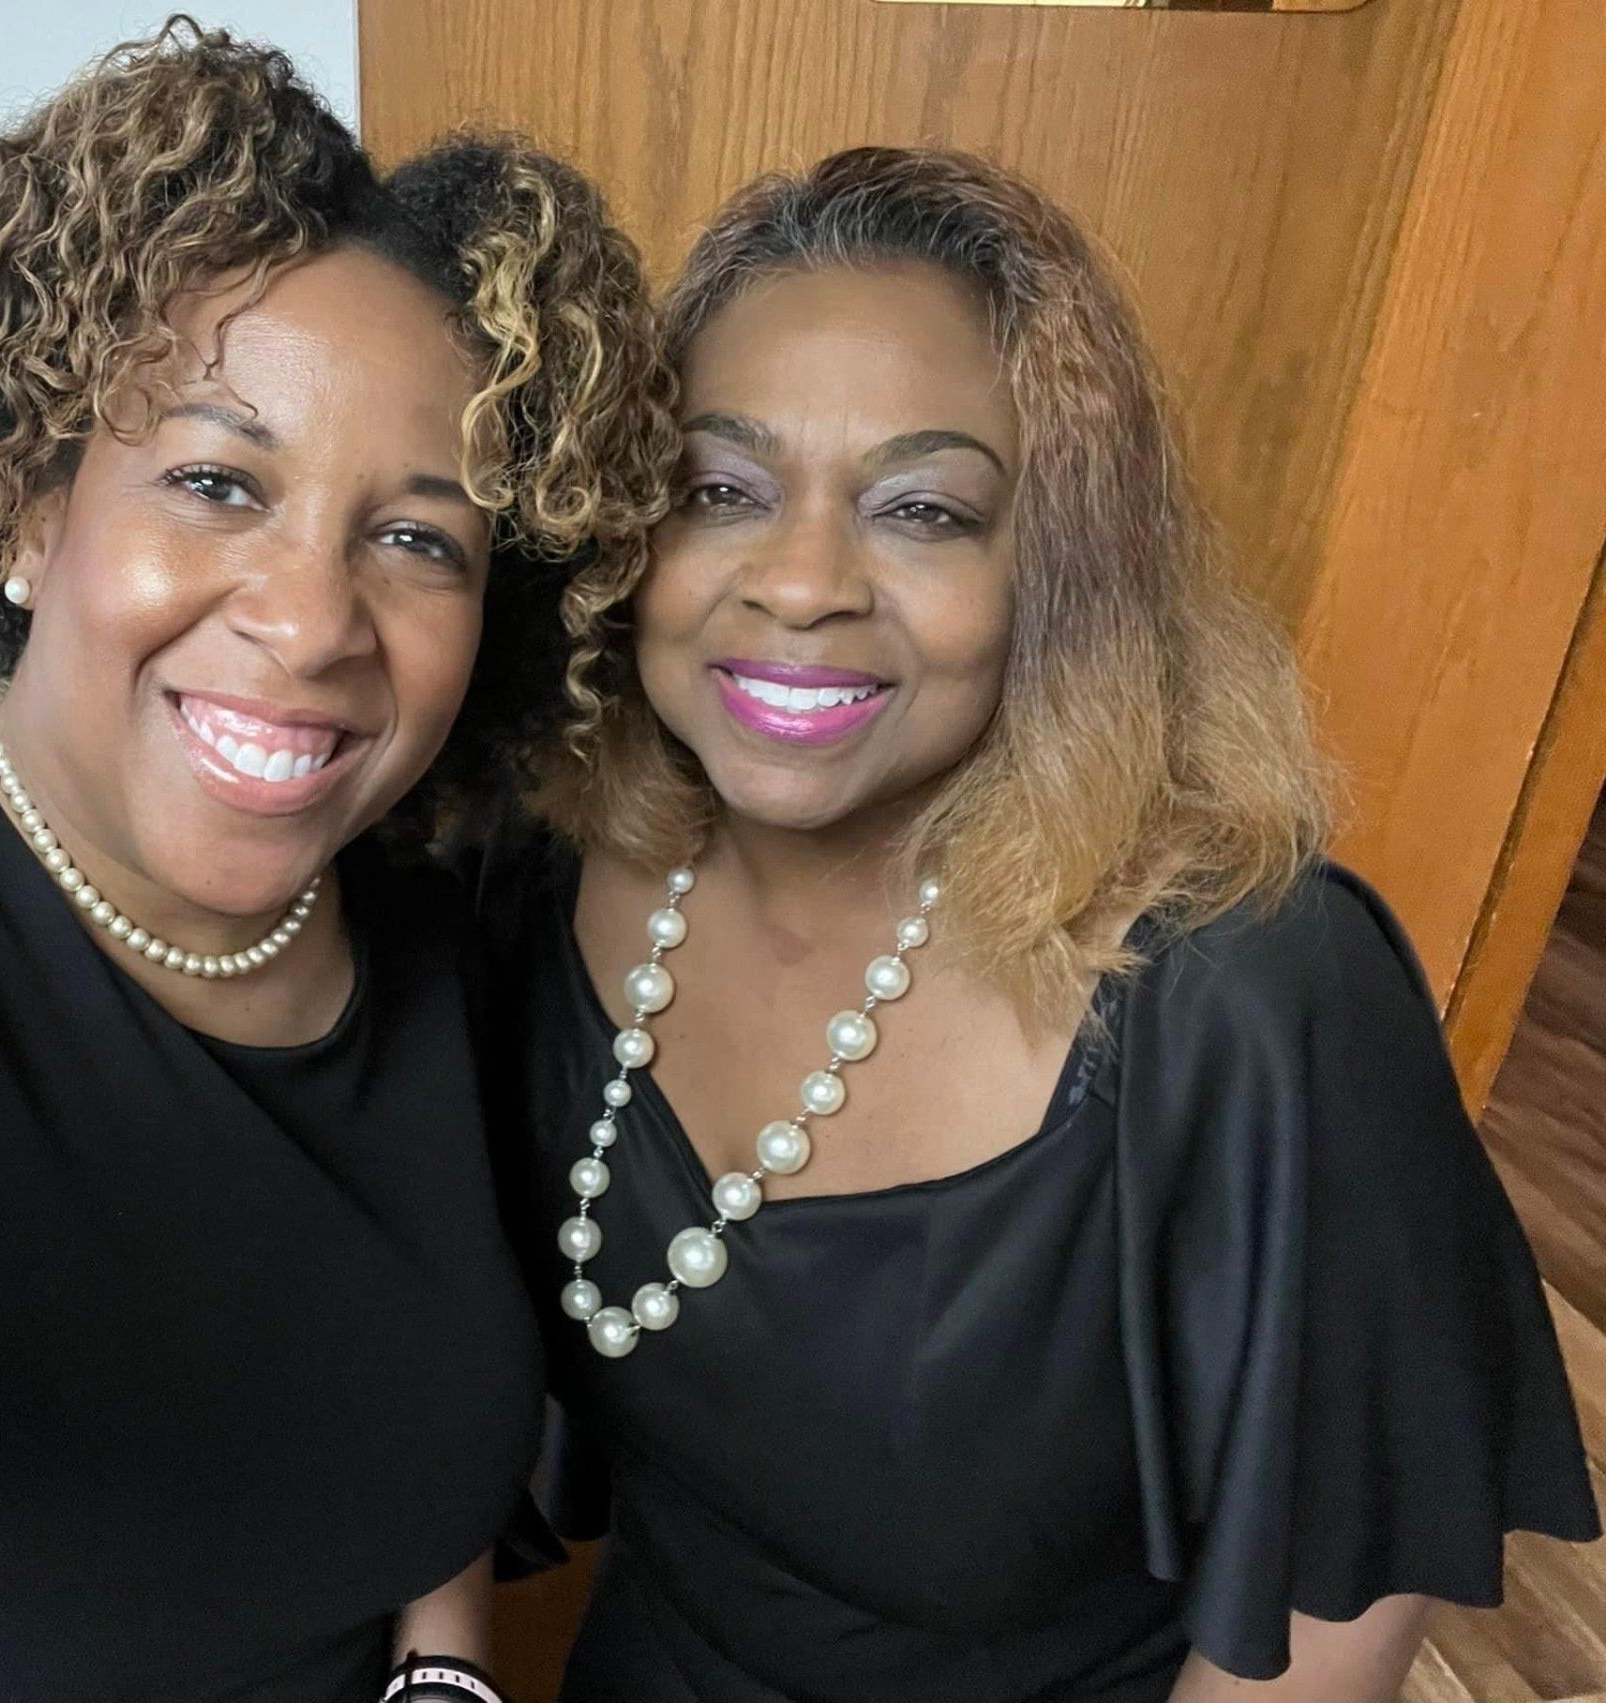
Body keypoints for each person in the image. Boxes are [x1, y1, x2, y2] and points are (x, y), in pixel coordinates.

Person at [472, 147, 1599, 1702]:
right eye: (721, 489)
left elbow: (1332, 1615)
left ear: (1056, 574)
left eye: (926, 510)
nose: (800, 583)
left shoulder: (1253, 994)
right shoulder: (548, 867)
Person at [0, 19, 669, 1702]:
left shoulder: (444, 941)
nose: (308, 621)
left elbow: (421, 1418)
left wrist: (444, 1679)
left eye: (418, 536)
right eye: (218, 480)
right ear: (21, 502)